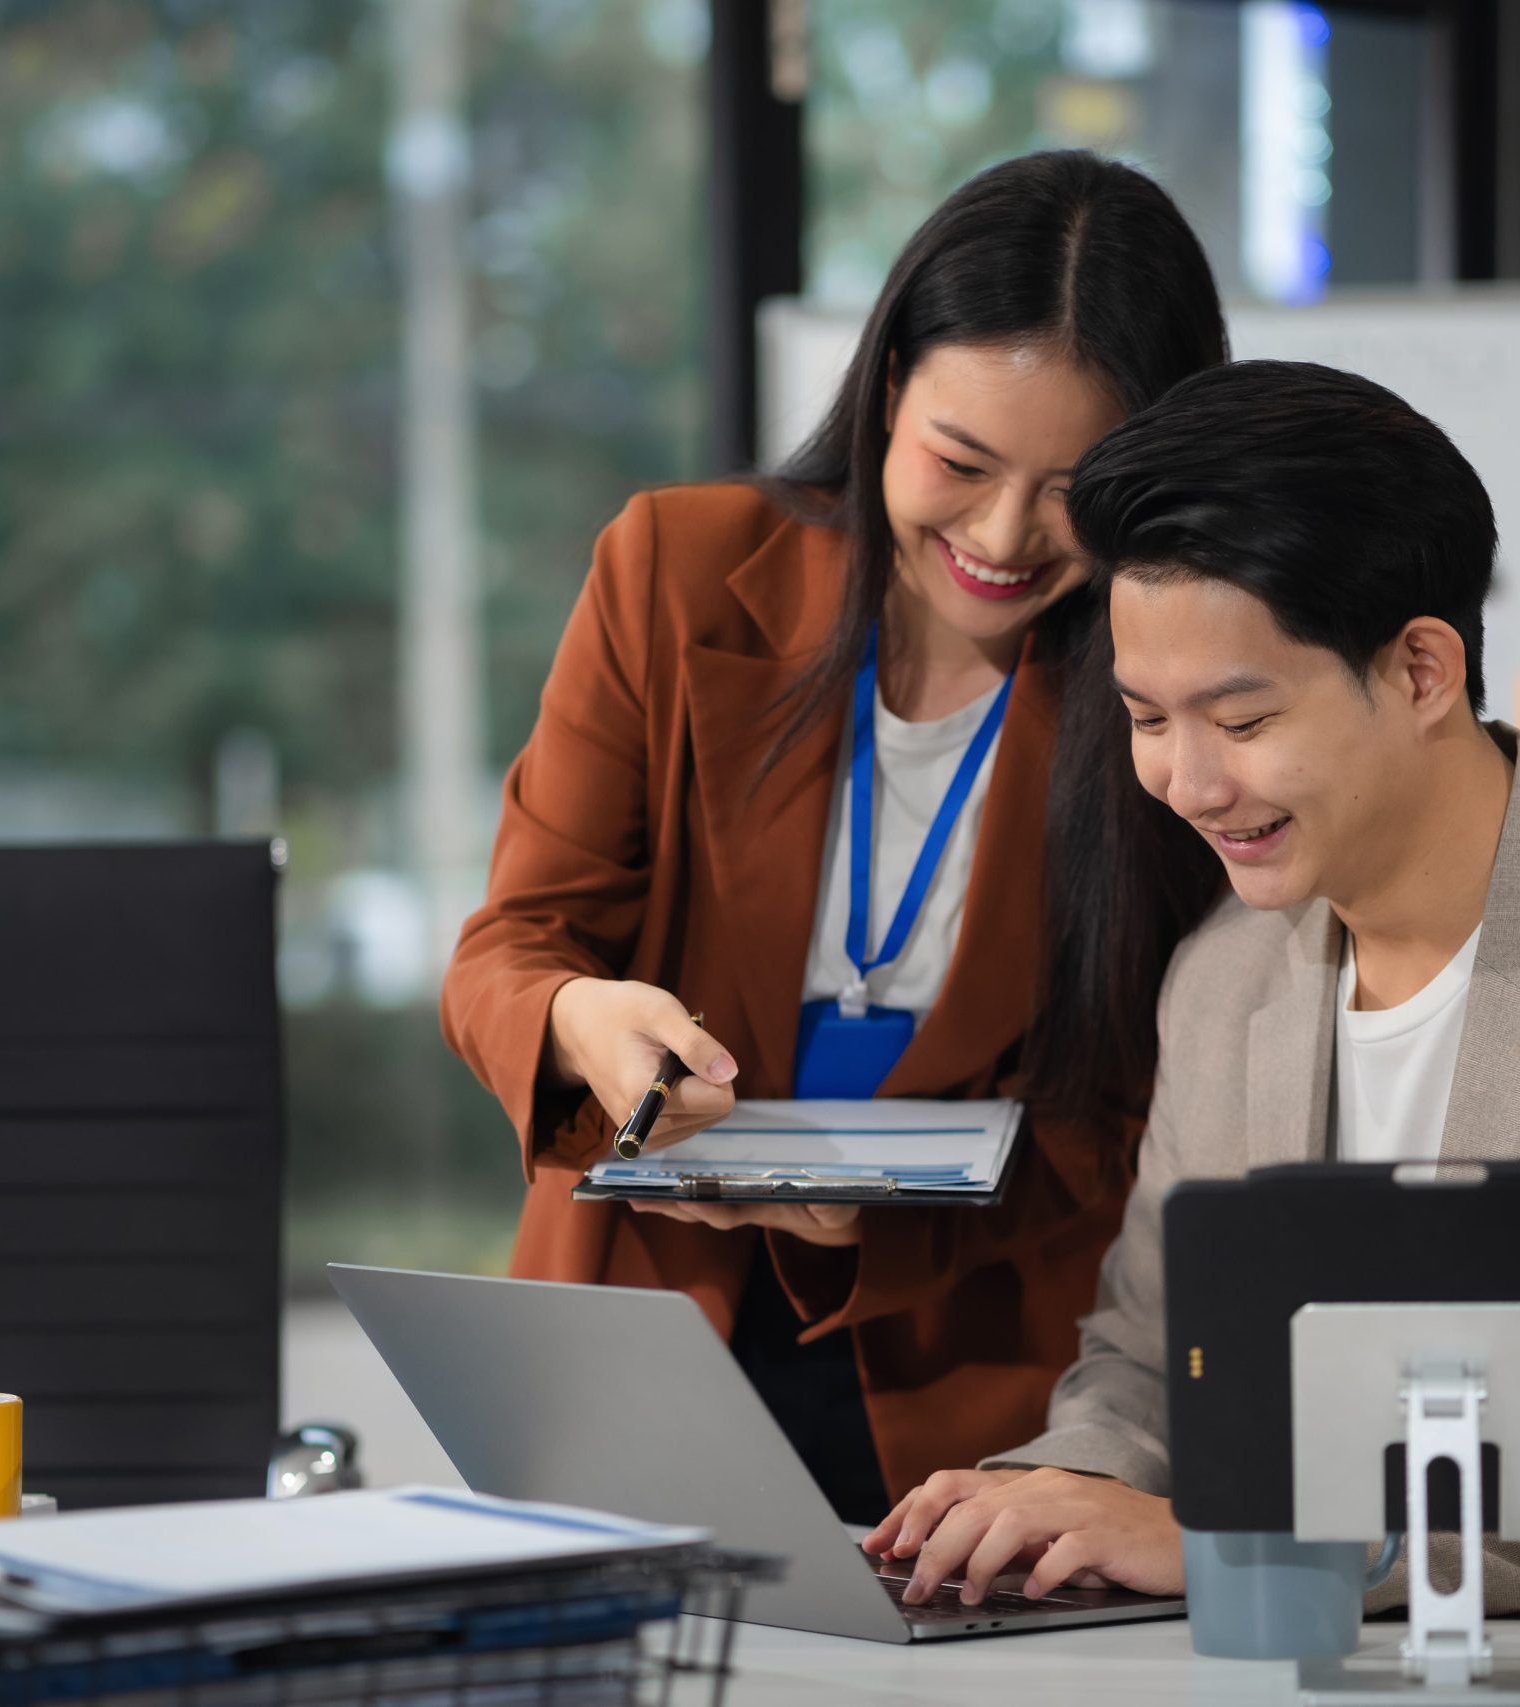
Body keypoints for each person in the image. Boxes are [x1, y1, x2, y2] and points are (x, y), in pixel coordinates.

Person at [865, 359, 1520, 1623]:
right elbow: (1149, 1348)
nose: (1186, 782)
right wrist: (1054, 1497)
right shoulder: (1224, 974)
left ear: (1419, 672)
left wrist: (1247, 1550)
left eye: (1239, 722)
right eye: (1144, 718)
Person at [438, 153, 1229, 1523]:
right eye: (960, 461)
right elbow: (509, 946)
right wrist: (582, 1016)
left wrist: (885, 1215)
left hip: (981, 1377)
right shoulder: (675, 573)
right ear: (882, 395)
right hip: (643, 1319)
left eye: (1072, 489)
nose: (1000, 534)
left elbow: (1157, 1105)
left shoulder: (1177, 678)